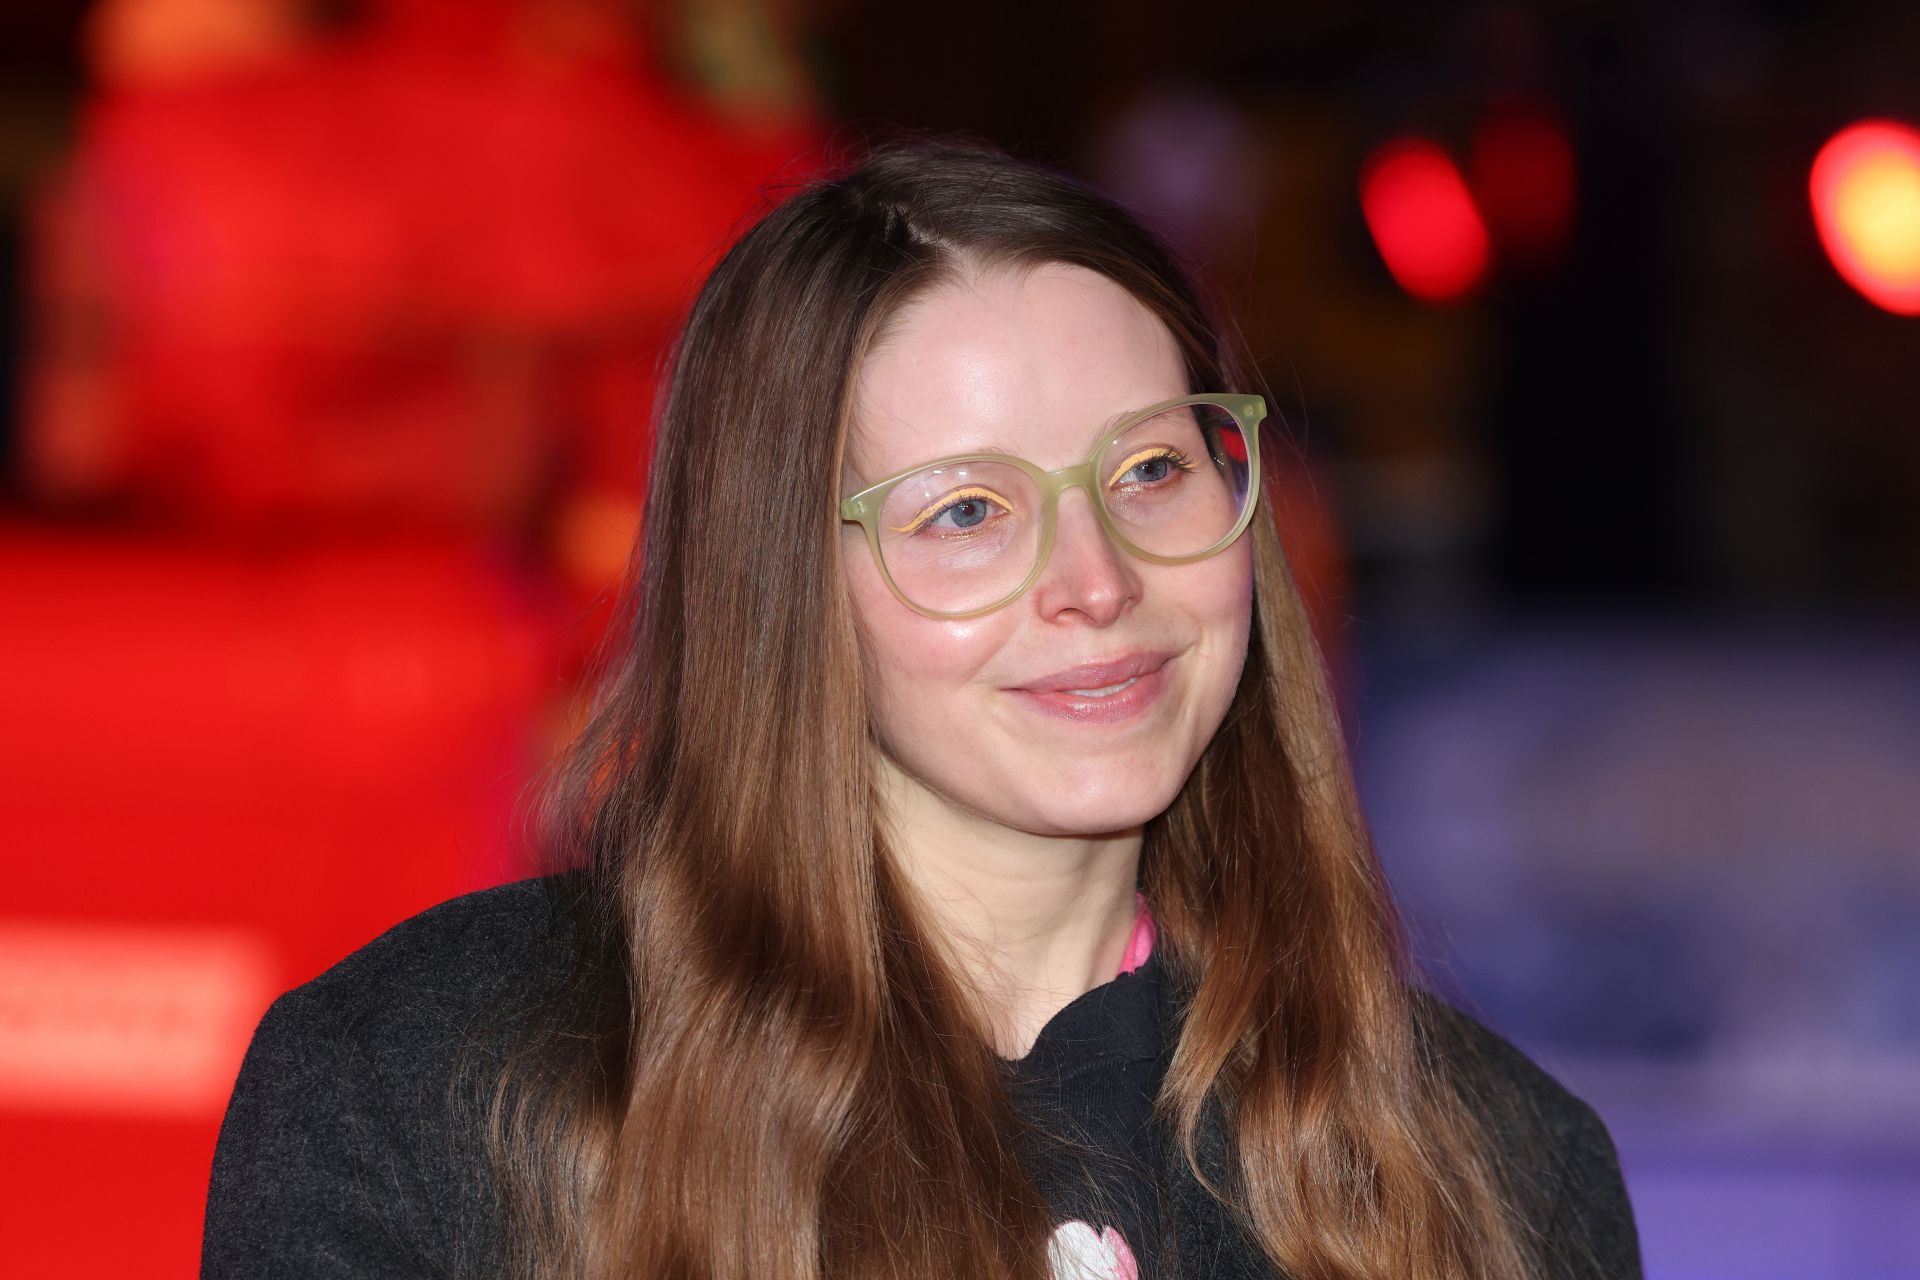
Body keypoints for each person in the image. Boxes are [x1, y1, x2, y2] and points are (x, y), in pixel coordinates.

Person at [201, 139, 1643, 1280]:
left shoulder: (1497, 1166)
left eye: (1151, 472)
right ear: (780, 584)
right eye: (967, 511)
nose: (1097, 581)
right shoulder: (422, 1092)